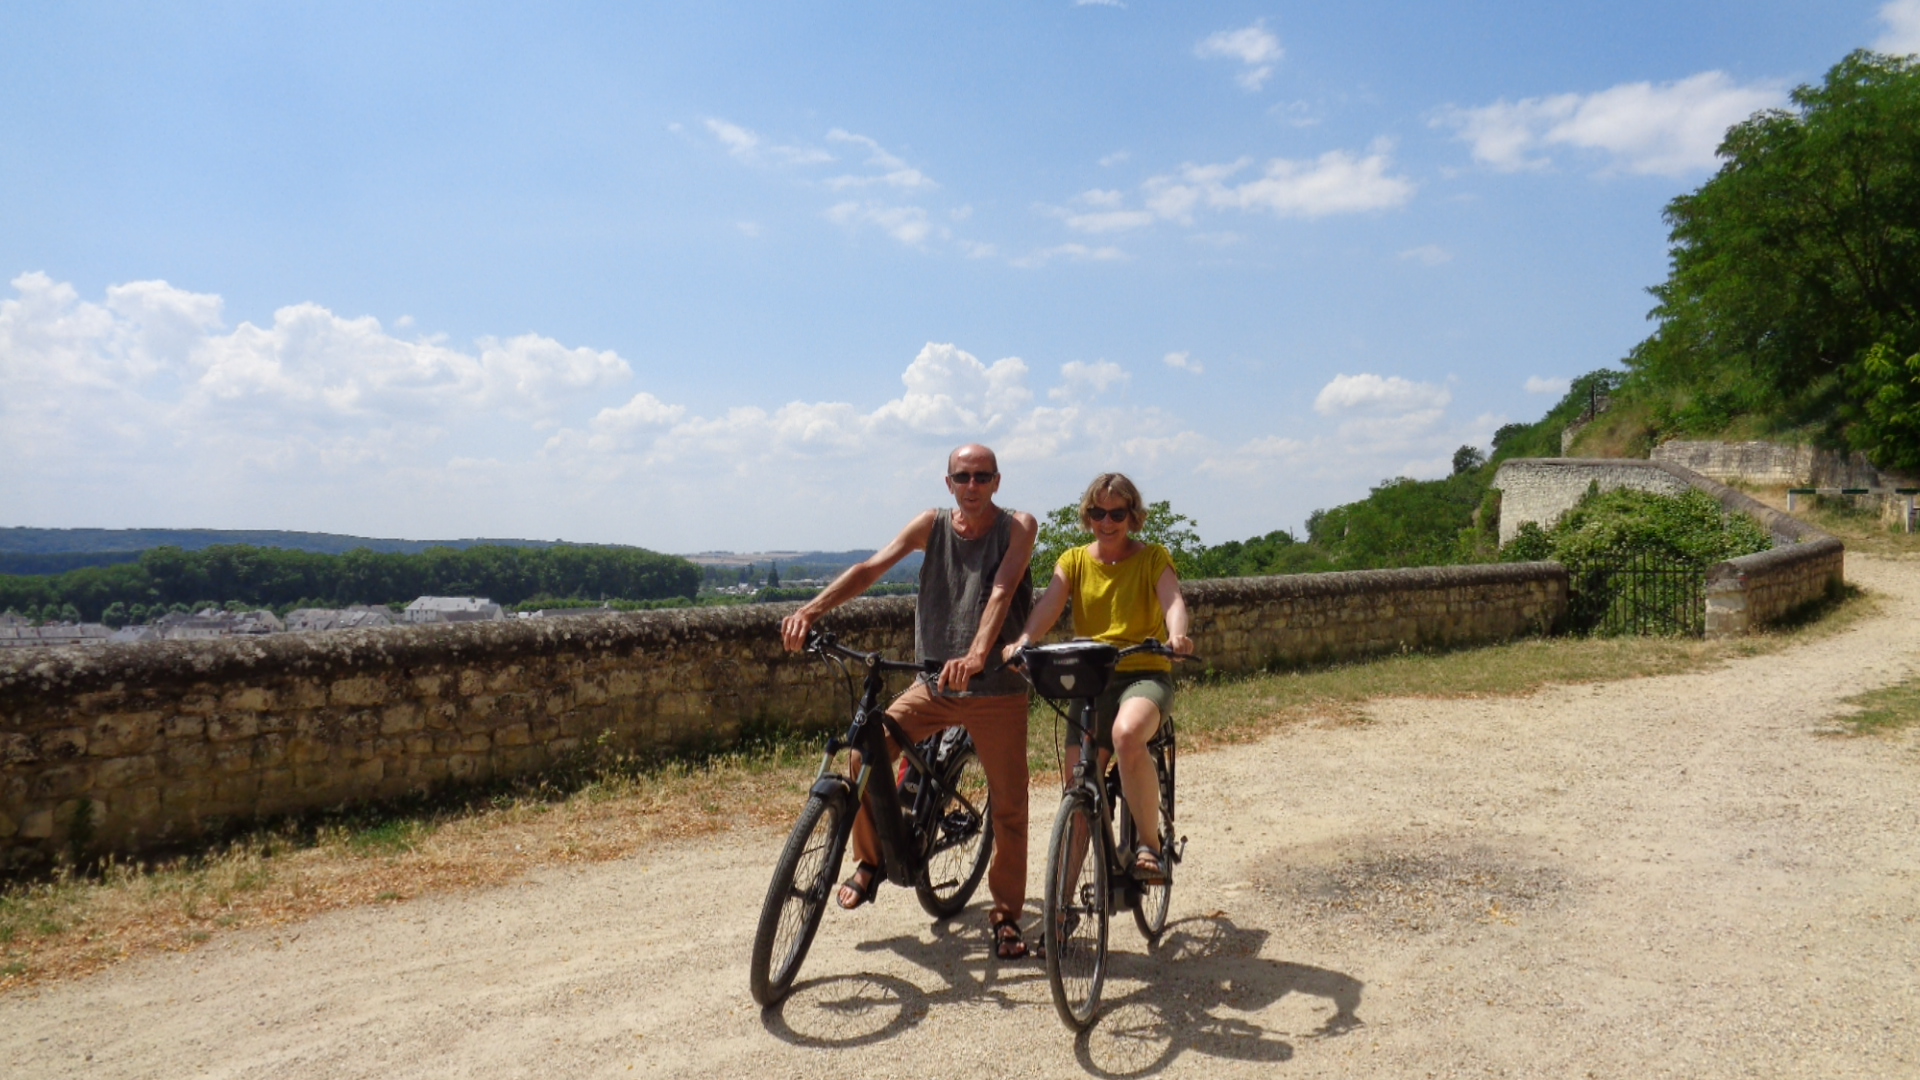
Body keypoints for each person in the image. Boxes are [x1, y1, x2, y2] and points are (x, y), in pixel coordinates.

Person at [780, 444, 1040, 959]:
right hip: (934, 682)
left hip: (995, 690)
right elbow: (871, 568)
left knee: (1009, 807)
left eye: (982, 477)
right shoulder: (932, 525)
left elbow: (1002, 591)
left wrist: (976, 654)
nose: (972, 486)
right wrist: (810, 610)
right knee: (863, 754)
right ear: (948, 483)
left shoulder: (1018, 527)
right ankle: (871, 861)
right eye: (963, 477)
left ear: (996, 481)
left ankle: (1006, 916)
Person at [1004, 472, 1191, 883]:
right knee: (1078, 790)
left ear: (1133, 516)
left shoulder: (1152, 557)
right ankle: (1062, 915)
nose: (1107, 522)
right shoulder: (1073, 561)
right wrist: (1022, 640)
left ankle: (1148, 846)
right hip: (1091, 678)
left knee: (1127, 735)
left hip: (1143, 672)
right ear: (1087, 515)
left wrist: (1176, 634)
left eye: (1117, 513)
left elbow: (1172, 599)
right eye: (1097, 512)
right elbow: (1049, 606)